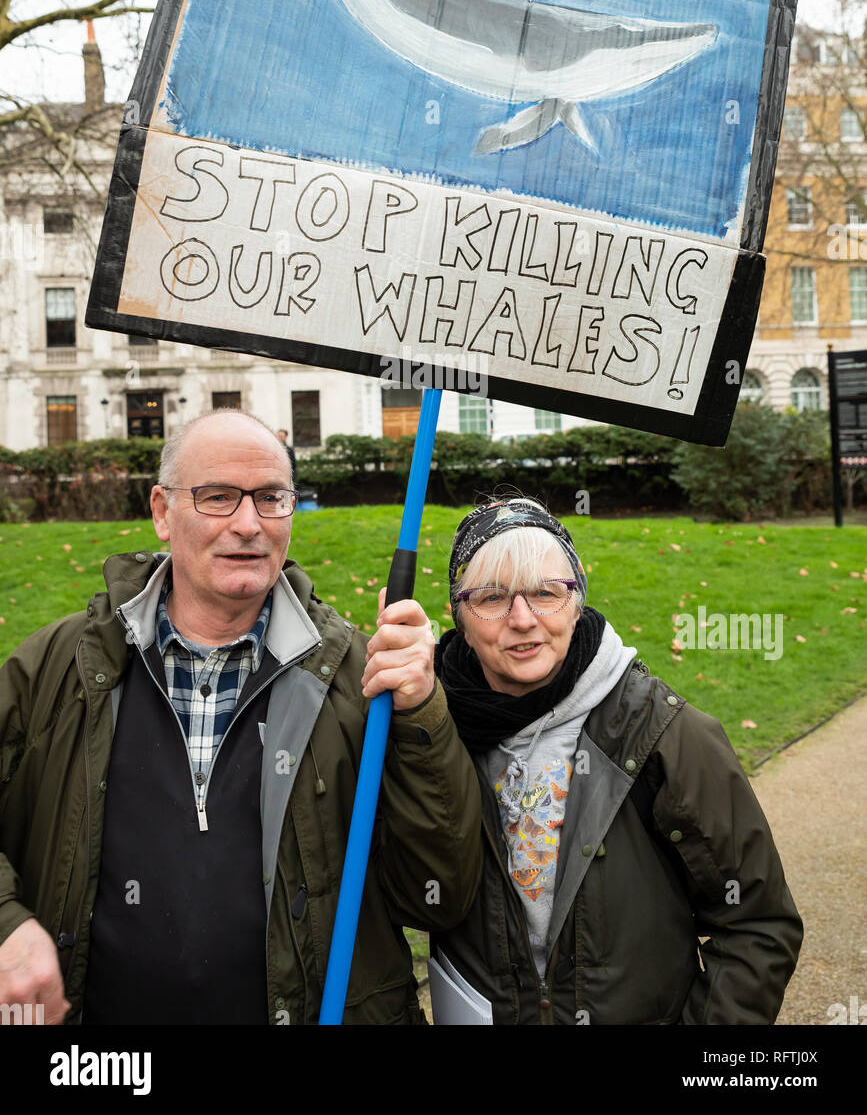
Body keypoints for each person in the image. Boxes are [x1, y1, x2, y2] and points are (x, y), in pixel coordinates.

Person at [0, 409, 482, 1025]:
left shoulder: (368, 679)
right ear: (161, 510)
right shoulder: (52, 669)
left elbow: (439, 894)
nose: (249, 524)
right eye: (218, 497)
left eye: (271, 498)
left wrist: (421, 714)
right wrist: (8, 925)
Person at [427, 496, 803, 1025]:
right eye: (491, 597)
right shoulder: (434, 732)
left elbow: (757, 924)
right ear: (460, 616)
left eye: (546, 593)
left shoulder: (661, 732)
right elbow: (411, 901)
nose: (522, 619)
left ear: (577, 600)